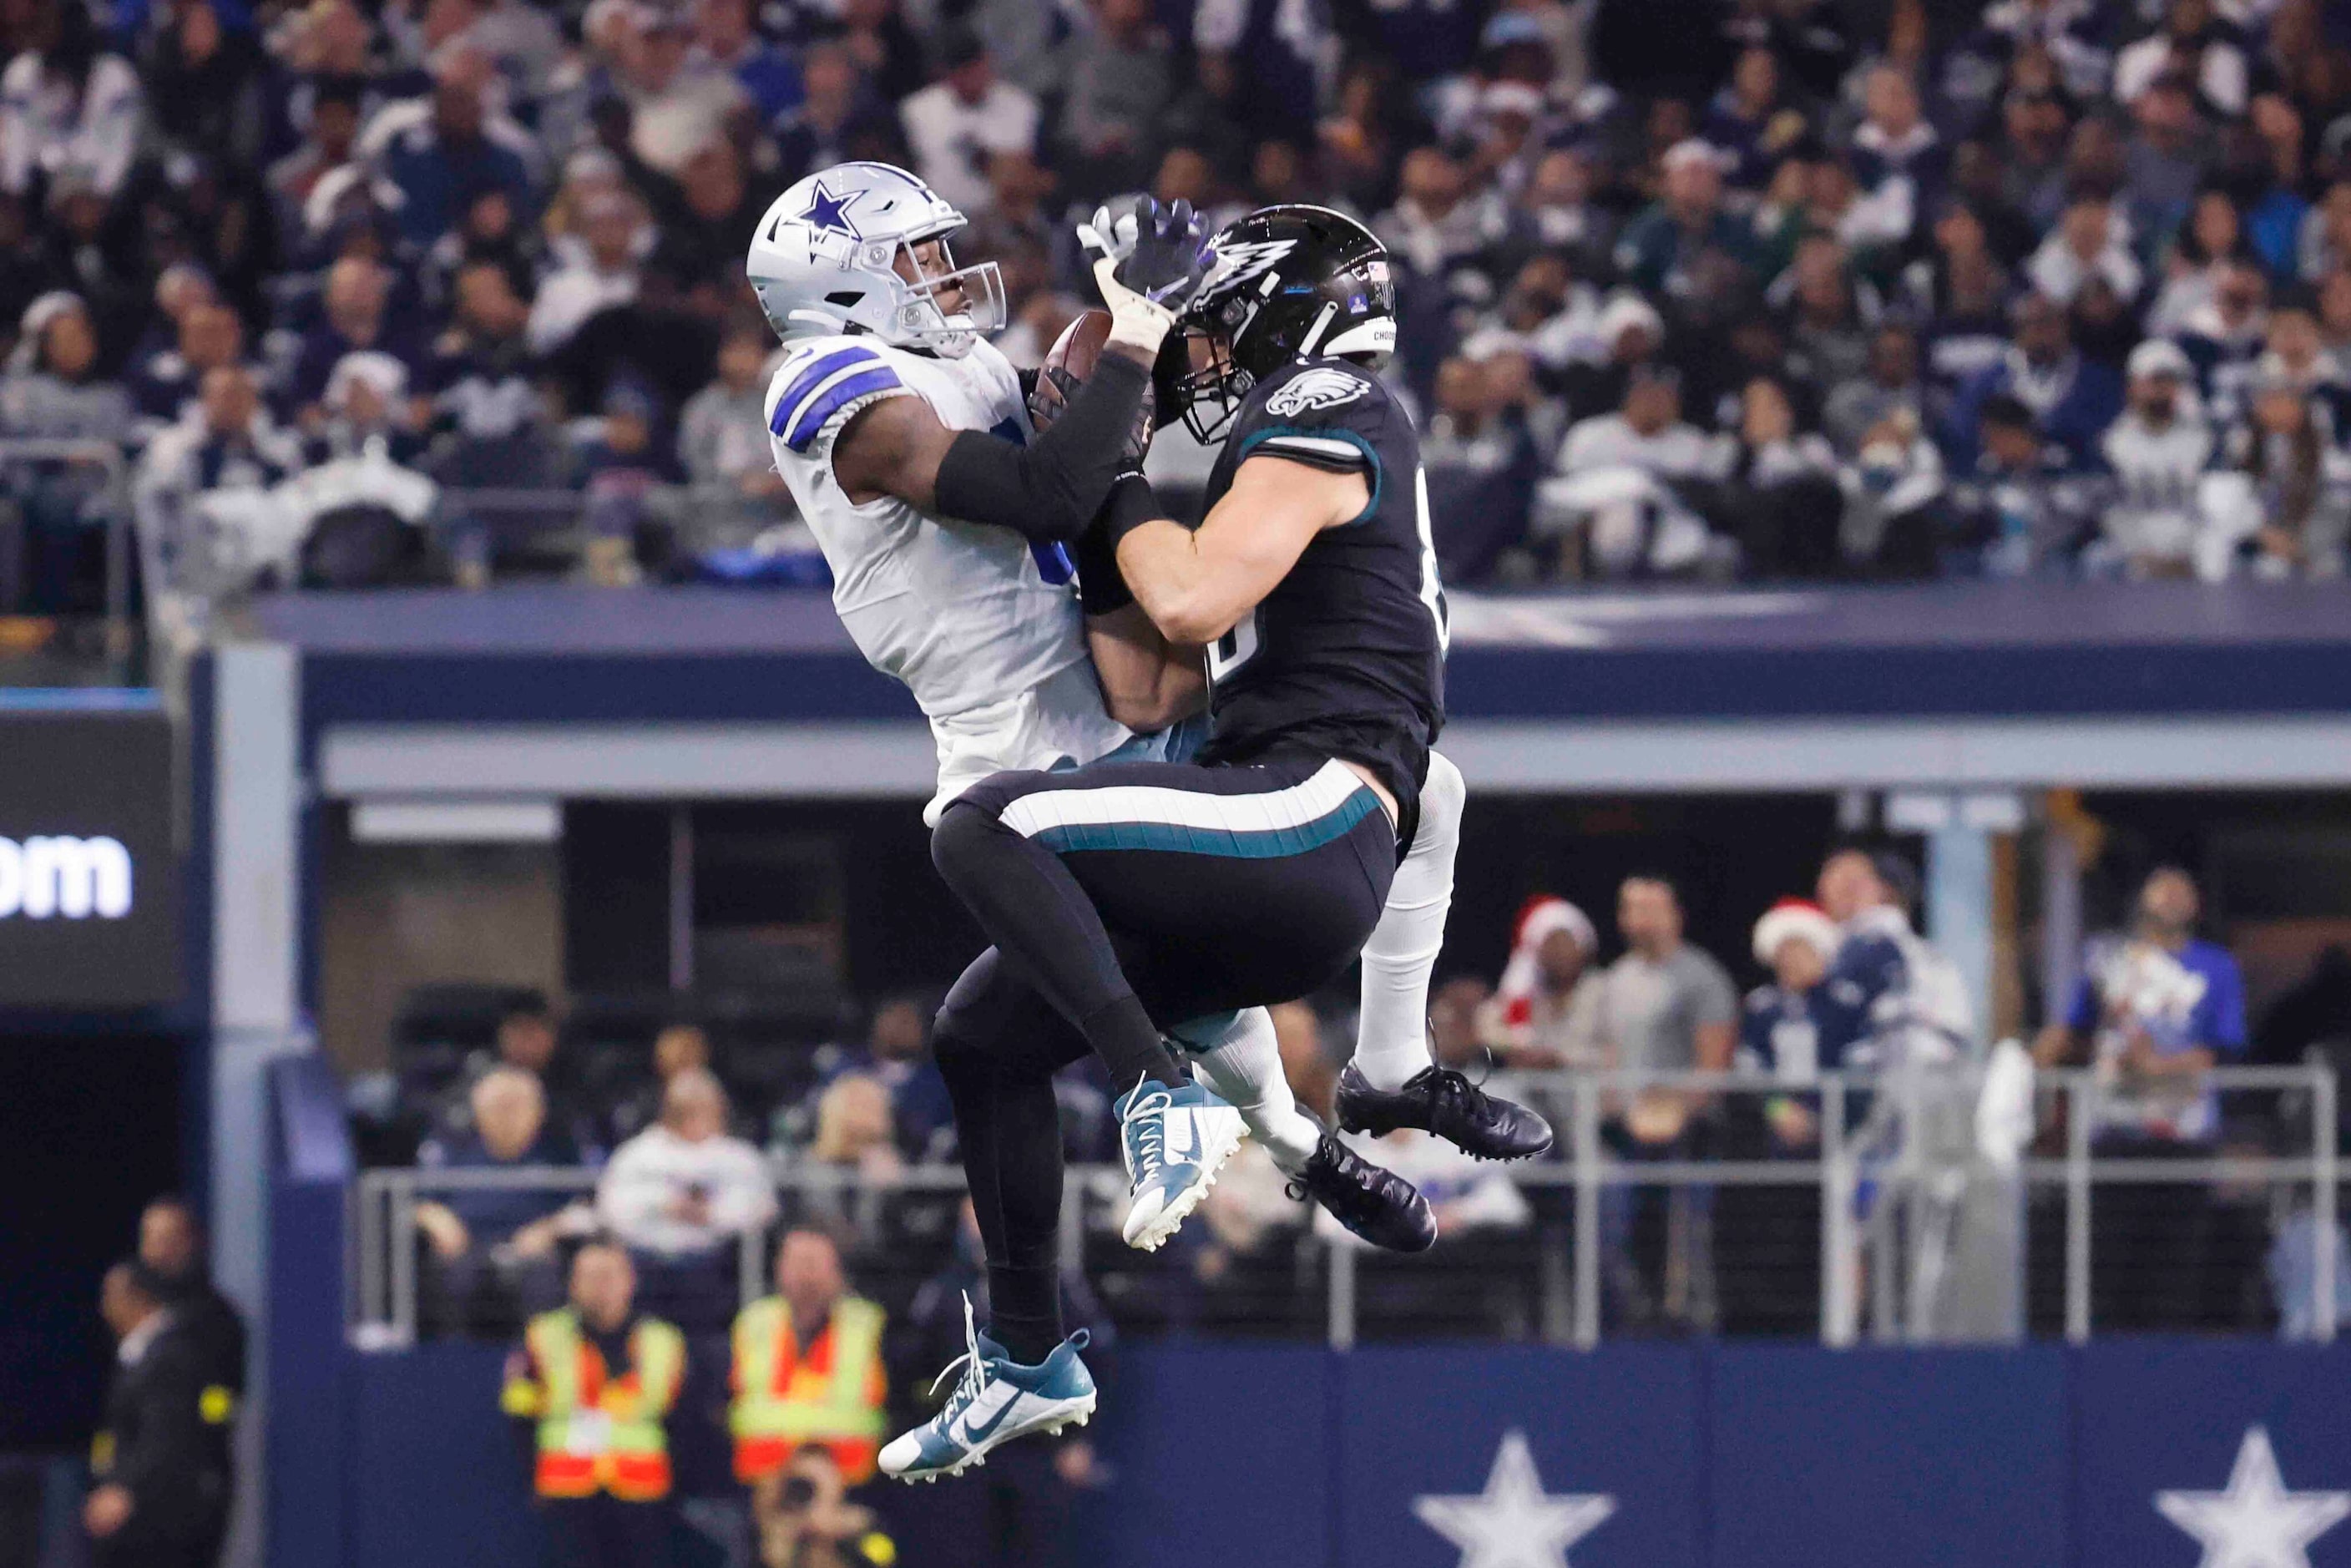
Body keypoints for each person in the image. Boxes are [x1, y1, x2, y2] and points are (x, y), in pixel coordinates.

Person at [888, 202, 1555, 1479]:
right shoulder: (1290, 447)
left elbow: (1190, 591)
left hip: (1299, 813)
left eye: (1211, 325)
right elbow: (1150, 688)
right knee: (980, 1037)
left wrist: (1110, 469)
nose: (1199, 354)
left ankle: (1161, 1085)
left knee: (987, 822)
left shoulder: (1330, 400)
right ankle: (1029, 1356)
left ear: (1280, 310)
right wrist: (1092, 509)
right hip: (1282, 824)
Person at [743, 170, 1459, 1328]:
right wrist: (1132, 320)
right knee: (1022, 998)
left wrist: (1161, 319)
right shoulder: (827, 383)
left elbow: (1090, 442)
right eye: (915, 258)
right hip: (1003, 721)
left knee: (1114, 950)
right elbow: (1044, 487)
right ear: (841, 280)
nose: (944, 275)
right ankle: (1283, 1145)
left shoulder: (967, 366)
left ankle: (1249, 1113)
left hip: (1094, 689)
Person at [2035, 866, 2248, 1329]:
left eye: (2182, 891)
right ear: (2142, 899)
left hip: (2185, 1132)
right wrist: (2031, 1059)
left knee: (2176, 1265)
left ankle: (2168, 1370)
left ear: (2196, 907)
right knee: (2109, 1262)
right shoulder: (2108, 960)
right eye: (2162, 888)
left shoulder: (2216, 966)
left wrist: (2156, 1067)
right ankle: (2105, 1365)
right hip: (2117, 1129)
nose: (2171, 898)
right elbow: (2074, 1032)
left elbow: (2222, 1049)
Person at [499, 1242, 685, 1568]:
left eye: (610, 1275)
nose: (601, 1285)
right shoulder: (542, 1335)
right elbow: (519, 1412)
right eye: (590, 1276)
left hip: (642, 1489)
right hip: (568, 1487)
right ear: (572, 1284)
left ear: (631, 1281)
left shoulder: (663, 1340)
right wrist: (531, 1476)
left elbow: (683, 1419)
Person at [597, 1069, 776, 1329]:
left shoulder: (739, 1157)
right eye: (684, 1108)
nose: (693, 1115)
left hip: (715, 1267)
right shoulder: (638, 1154)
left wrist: (710, 1214)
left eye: (702, 1106)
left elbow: (761, 1208)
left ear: (719, 1109)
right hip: (646, 1267)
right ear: (667, 1109)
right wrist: (664, 1205)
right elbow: (612, 1208)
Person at [415, 1067, 584, 1333]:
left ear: (538, 1113)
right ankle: (454, 1359)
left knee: (543, 1281)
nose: (508, 1117)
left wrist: (549, 1228)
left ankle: (540, 1360)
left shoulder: (560, 1150)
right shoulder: (453, 1148)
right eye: (498, 1107)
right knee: (453, 1278)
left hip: (532, 1249)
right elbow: (417, 1200)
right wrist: (438, 1219)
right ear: (478, 1112)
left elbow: (584, 1205)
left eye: (518, 1107)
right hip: (467, 1247)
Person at [85, 1263, 231, 1568]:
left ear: (136, 1298)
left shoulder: (170, 1356)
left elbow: (166, 1435)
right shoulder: (141, 1354)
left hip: (162, 1518)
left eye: (110, 1296)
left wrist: (125, 1489)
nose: (104, 1308)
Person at [729, 1228, 887, 1488]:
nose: (805, 1276)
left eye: (814, 1263)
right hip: (762, 1484)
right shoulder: (752, 1324)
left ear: (840, 1274)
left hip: (850, 1485)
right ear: (778, 1269)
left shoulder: (869, 1326)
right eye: (796, 1262)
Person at [133, 1201, 245, 1425]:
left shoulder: (215, 1318)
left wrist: (200, 1423)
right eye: (152, 1240)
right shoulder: (129, 1308)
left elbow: (225, 1397)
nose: (159, 1252)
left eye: (169, 1240)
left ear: (193, 1242)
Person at [1478, 895, 1607, 1069]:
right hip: (1528, 1090)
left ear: (1583, 947)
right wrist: (1518, 1048)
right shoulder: (1525, 990)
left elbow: (1613, 1050)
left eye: (1567, 944)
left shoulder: (1603, 990)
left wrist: (1560, 1058)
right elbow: (1486, 1028)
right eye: (1552, 945)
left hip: (1588, 1089)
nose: (1560, 954)